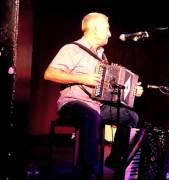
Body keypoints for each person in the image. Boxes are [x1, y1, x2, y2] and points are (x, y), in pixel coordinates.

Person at [44, 12, 143, 179]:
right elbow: (49, 73)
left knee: (130, 116)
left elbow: (106, 90)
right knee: (91, 115)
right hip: (73, 103)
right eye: (107, 29)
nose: (110, 34)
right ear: (95, 28)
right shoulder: (71, 49)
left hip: (96, 105)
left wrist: (131, 91)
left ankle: (115, 161)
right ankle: (87, 171)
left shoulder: (102, 56)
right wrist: (83, 78)